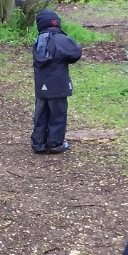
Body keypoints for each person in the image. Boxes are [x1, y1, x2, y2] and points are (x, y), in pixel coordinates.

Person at [31, 8, 82, 154]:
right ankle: (55, 144)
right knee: (58, 115)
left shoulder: (38, 41)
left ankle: (38, 143)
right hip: (58, 86)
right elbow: (76, 52)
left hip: (41, 87)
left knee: (40, 115)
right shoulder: (61, 39)